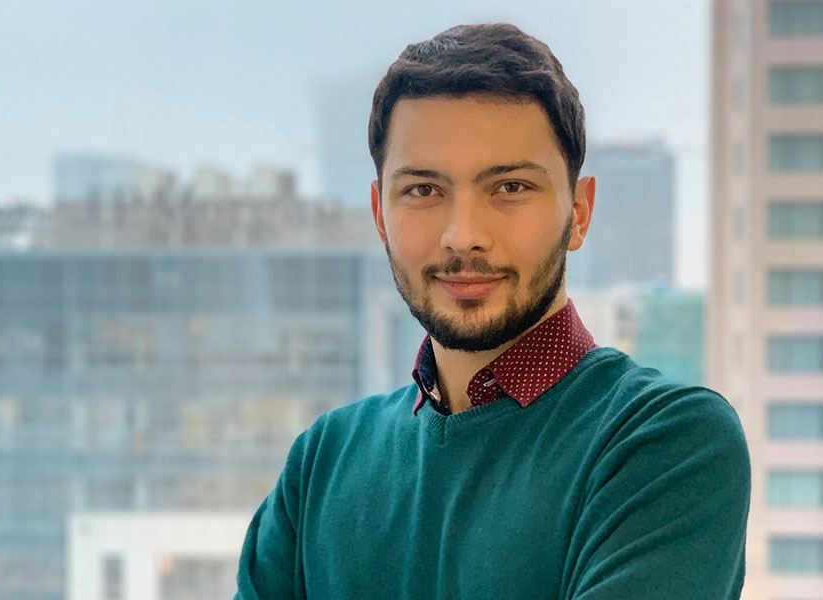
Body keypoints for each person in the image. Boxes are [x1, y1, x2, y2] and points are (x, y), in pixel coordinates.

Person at [235, 23, 750, 599]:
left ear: (579, 212)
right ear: (381, 215)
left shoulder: (664, 442)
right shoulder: (322, 463)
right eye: (424, 191)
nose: (463, 236)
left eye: (509, 187)